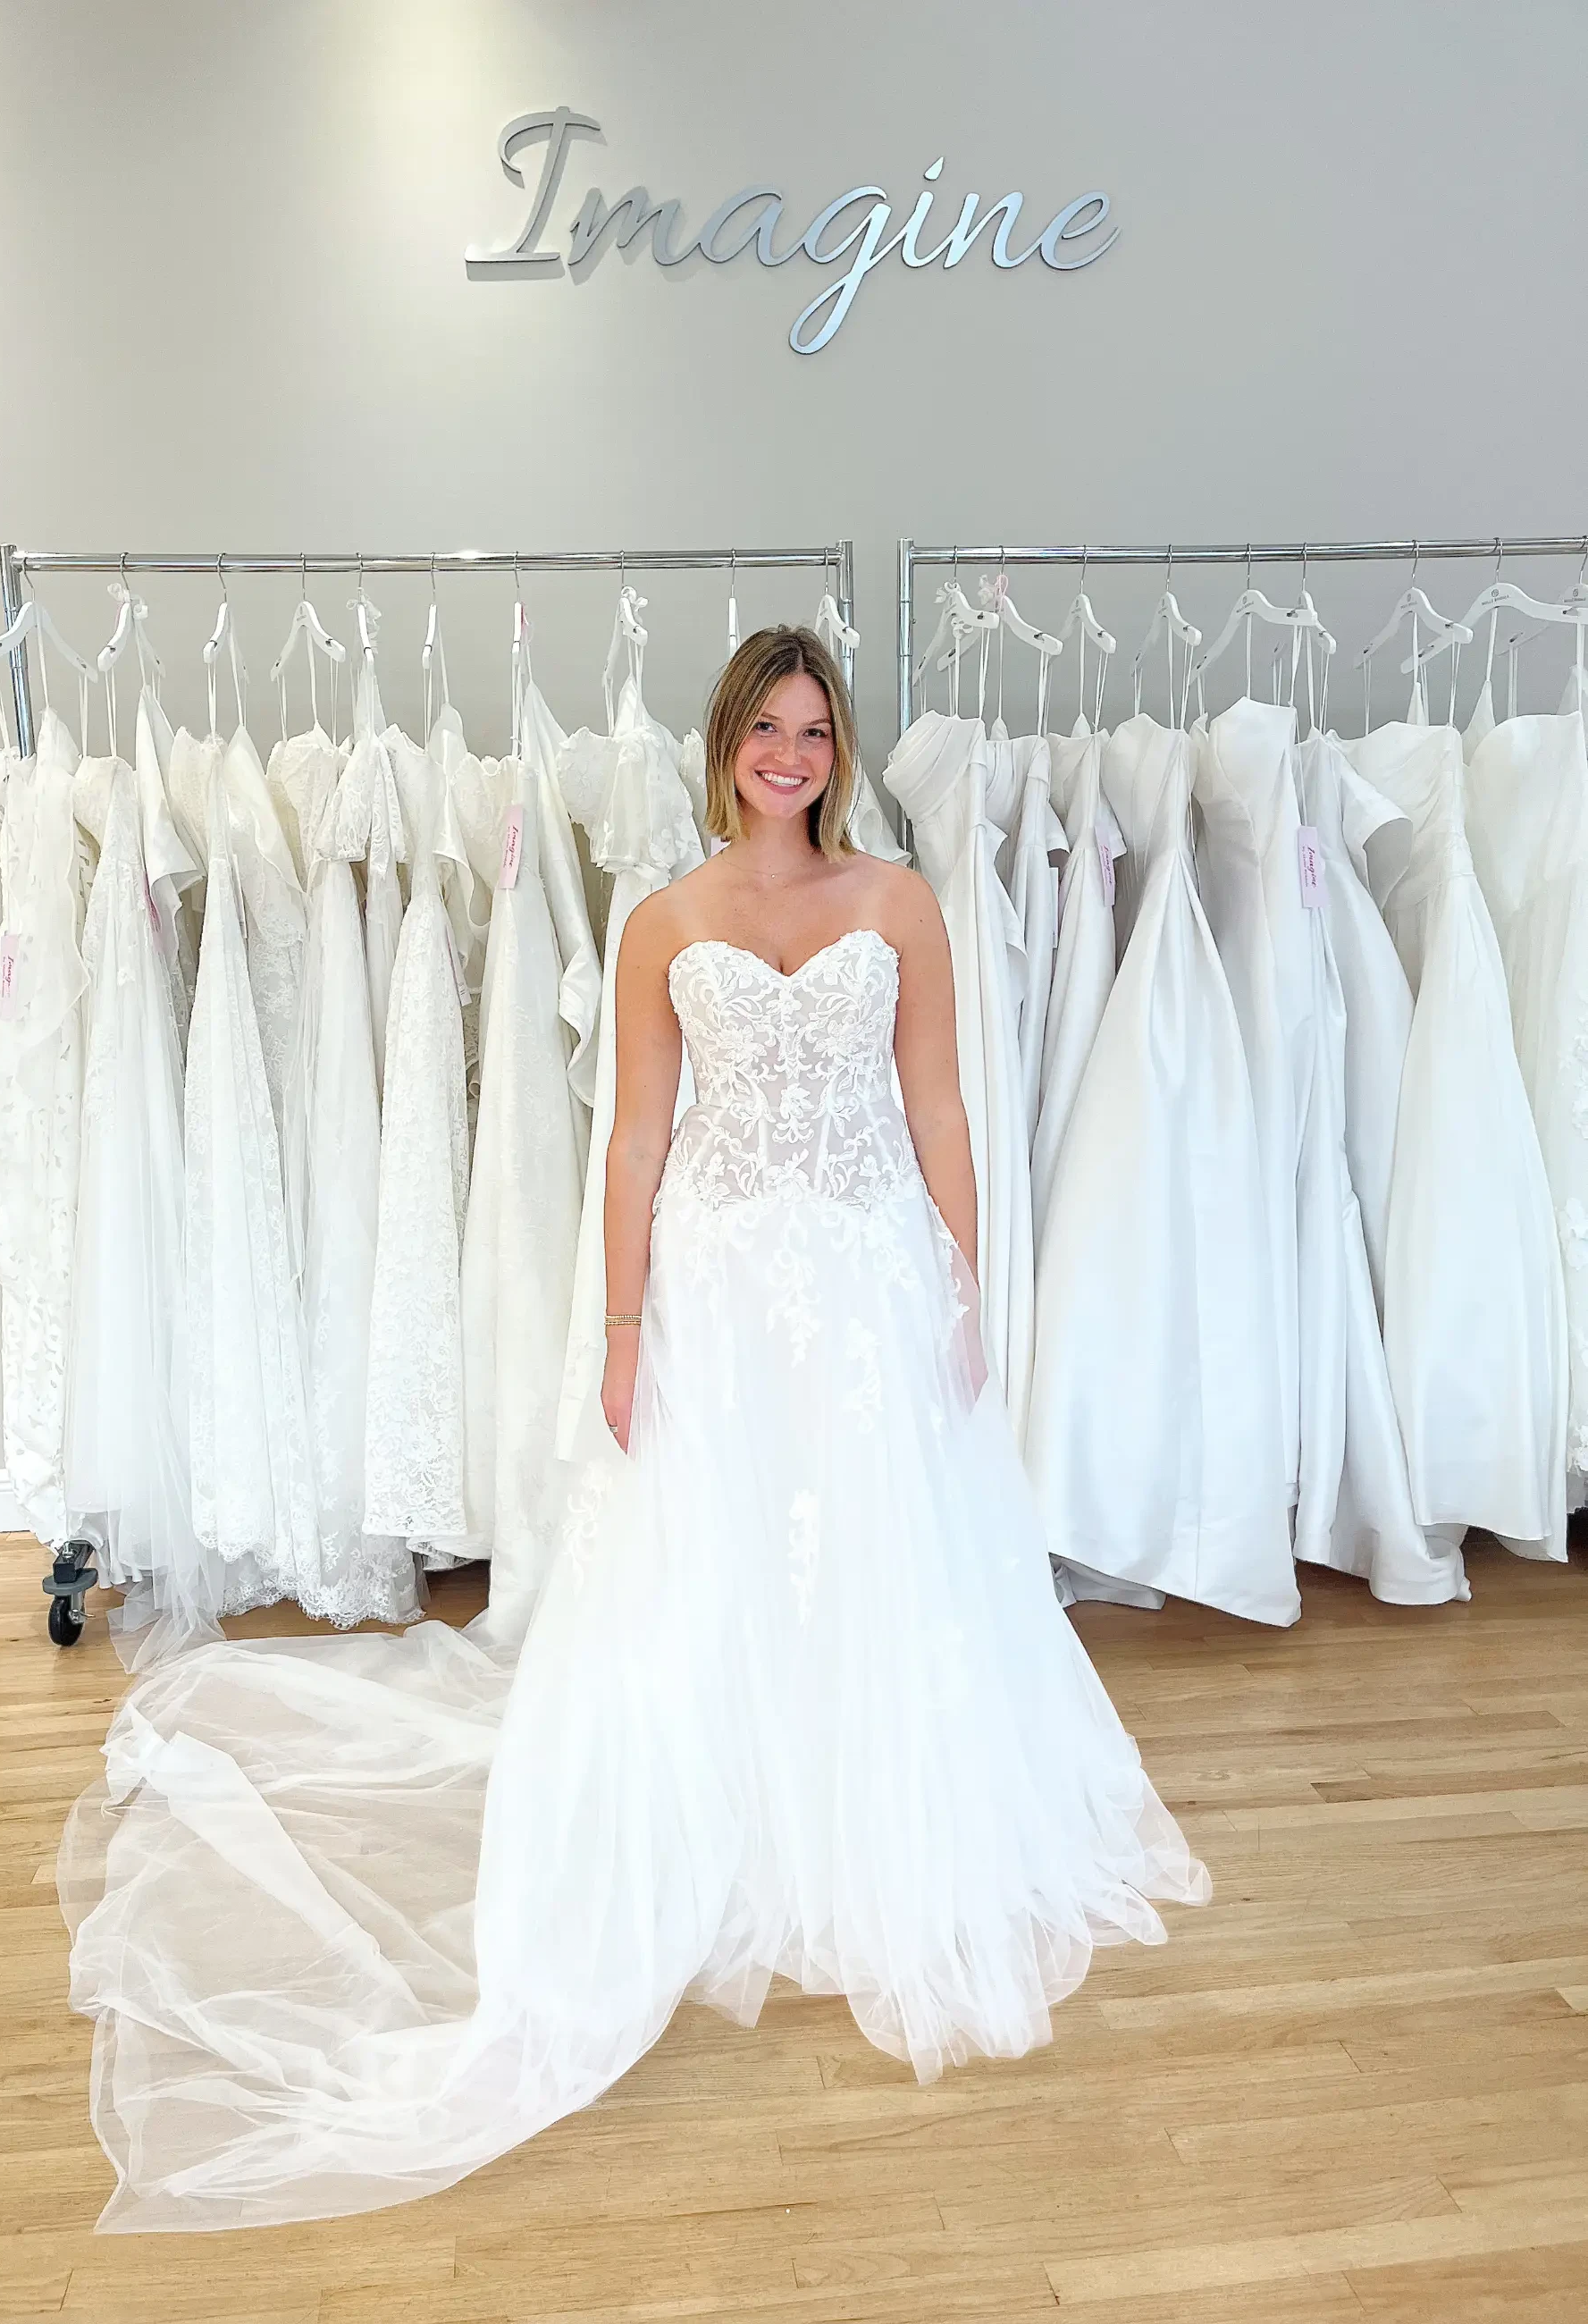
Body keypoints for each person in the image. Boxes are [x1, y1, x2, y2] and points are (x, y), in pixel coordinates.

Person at [59, 627, 1208, 2236]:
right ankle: (728, 1809)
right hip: (717, 1285)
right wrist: (619, 1328)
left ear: (837, 750)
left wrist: (964, 1282)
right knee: (716, 1555)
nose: (789, 755)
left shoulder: (897, 902)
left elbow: (940, 1106)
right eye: (766, 728)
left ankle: (859, 1812)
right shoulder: (665, 918)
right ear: (724, 741)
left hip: (869, 1281)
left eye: (814, 731)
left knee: (874, 1549)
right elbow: (634, 1144)